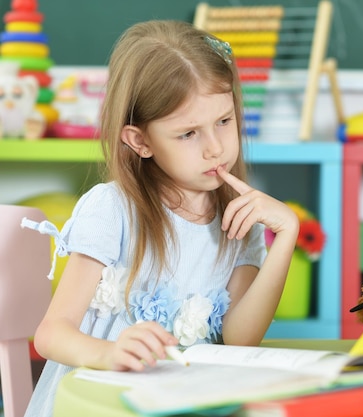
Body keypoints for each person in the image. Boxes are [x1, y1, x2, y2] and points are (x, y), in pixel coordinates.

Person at [23, 20, 299, 416]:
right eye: (188, 134)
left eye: (224, 121)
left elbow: (240, 340)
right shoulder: (112, 209)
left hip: (180, 403)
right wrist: (110, 352)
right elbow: (52, 334)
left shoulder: (241, 220)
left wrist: (287, 234)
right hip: (99, 403)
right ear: (141, 141)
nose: (215, 148)